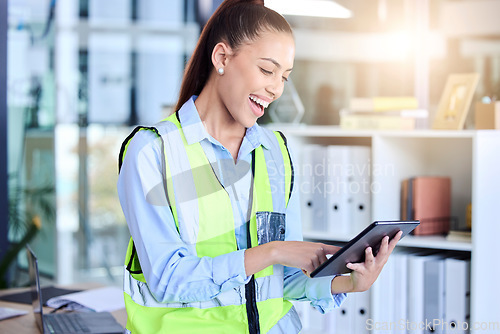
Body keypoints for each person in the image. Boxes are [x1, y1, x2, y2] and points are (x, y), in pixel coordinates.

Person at [117, 0, 402, 333]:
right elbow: (168, 281)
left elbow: (283, 282)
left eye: (284, 77)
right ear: (222, 58)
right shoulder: (153, 152)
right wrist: (272, 252)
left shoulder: (275, 151)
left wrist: (348, 283)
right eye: (267, 70)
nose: (276, 89)